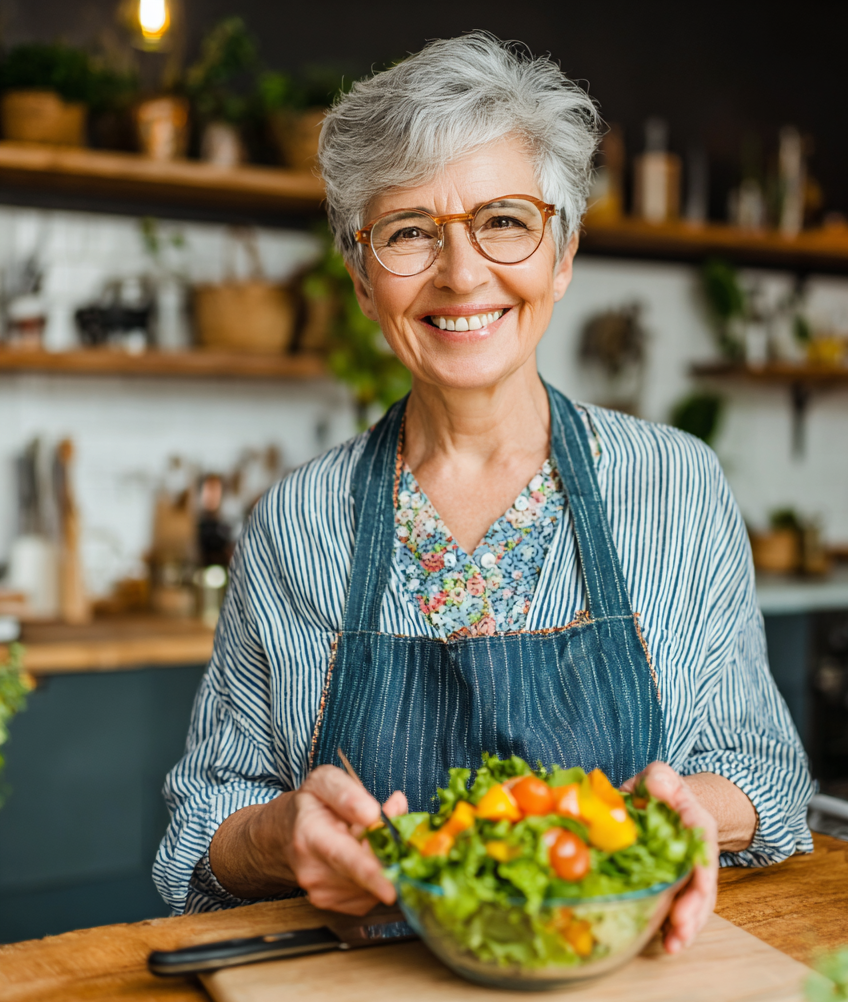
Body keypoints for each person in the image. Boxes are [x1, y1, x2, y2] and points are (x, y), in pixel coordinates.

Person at [155, 32, 813, 953]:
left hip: (613, 995)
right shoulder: (294, 522)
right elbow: (202, 832)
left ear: (564, 249)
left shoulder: (675, 486)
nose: (462, 275)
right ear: (359, 275)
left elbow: (764, 774)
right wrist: (274, 836)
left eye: (505, 220)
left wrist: (689, 817)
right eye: (410, 232)